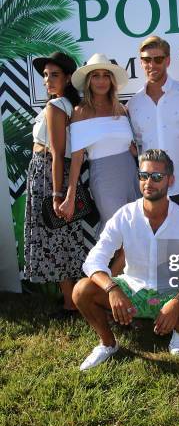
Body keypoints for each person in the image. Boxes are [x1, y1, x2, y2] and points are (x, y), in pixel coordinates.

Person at [73, 149, 179, 370]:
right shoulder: (125, 215)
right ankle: (108, 344)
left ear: (170, 180)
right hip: (132, 289)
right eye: (144, 176)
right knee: (81, 290)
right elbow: (93, 261)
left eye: (156, 177)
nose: (148, 182)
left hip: (170, 291)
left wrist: (176, 304)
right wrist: (112, 289)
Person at [24, 52, 85, 318]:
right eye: (46, 75)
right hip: (48, 173)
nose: (48, 80)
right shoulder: (64, 105)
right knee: (60, 239)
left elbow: (58, 153)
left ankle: (71, 305)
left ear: (69, 78)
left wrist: (56, 193)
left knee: (55, 238)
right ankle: (70, 301)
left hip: (48, 174)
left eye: (55, 75)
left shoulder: (56, 106)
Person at [127, 36, 179, 223]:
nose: (152, 64)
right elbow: (137, 144)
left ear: (167, 60)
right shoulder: (134, 104)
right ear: (141, 62)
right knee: (162, 249)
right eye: (146, 59)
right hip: (153, 192)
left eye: (158, 59)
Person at [59, 53, 138, 234]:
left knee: (136, 229)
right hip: (104, 179)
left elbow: (132, 149)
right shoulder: (80, 112)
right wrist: (70, 196)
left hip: (131, 175)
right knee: (115, 230)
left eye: (106, 76)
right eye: (96, 76)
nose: (101, 81)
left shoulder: (122, 109)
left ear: (111, 80)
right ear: (88, 81)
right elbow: (77, 158)